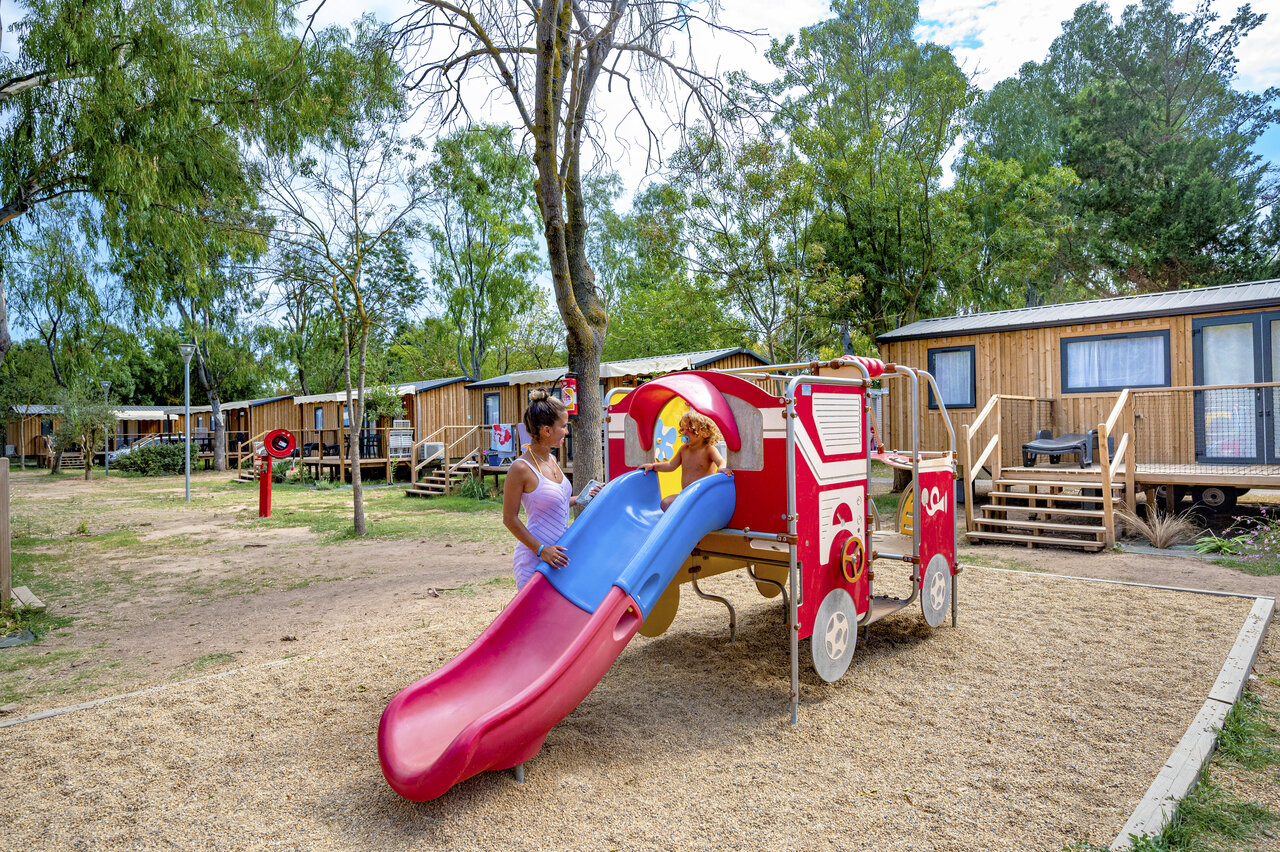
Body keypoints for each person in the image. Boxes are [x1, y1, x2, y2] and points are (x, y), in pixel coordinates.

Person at [502, 388, 599, 590]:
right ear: (547, 430)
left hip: (559, 557)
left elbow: (554, 503)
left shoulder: (552, 459)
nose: (566, 431)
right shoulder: (520, 468)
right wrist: (541, 550)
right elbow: (509, 519)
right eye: (563, 426)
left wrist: (580, 498)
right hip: (534, 560)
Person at [640, 410, 727, 510]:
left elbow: (721, 461)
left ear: (705, 433)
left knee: (686, 505)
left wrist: (721, 469)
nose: (684, 433)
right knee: (665, 503)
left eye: (689, 429)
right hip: (686, 495)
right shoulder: (684, 449)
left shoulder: (708, 449)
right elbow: (670, 465)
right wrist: (653, 466)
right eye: (683, 429)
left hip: (702, 496)